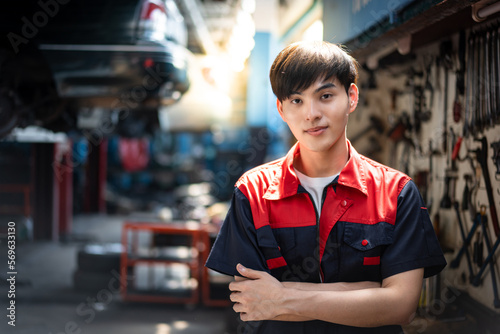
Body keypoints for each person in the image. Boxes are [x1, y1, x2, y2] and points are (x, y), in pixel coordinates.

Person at [205, 41, 447, 333]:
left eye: (326, 96)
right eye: (297, 100)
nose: (311, 114)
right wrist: (368, 291)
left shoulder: (397, 193)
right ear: (281, 109)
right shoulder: (253, 192)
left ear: (351, 97)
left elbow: (401, 306)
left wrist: (282, 297)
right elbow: (252, 302)